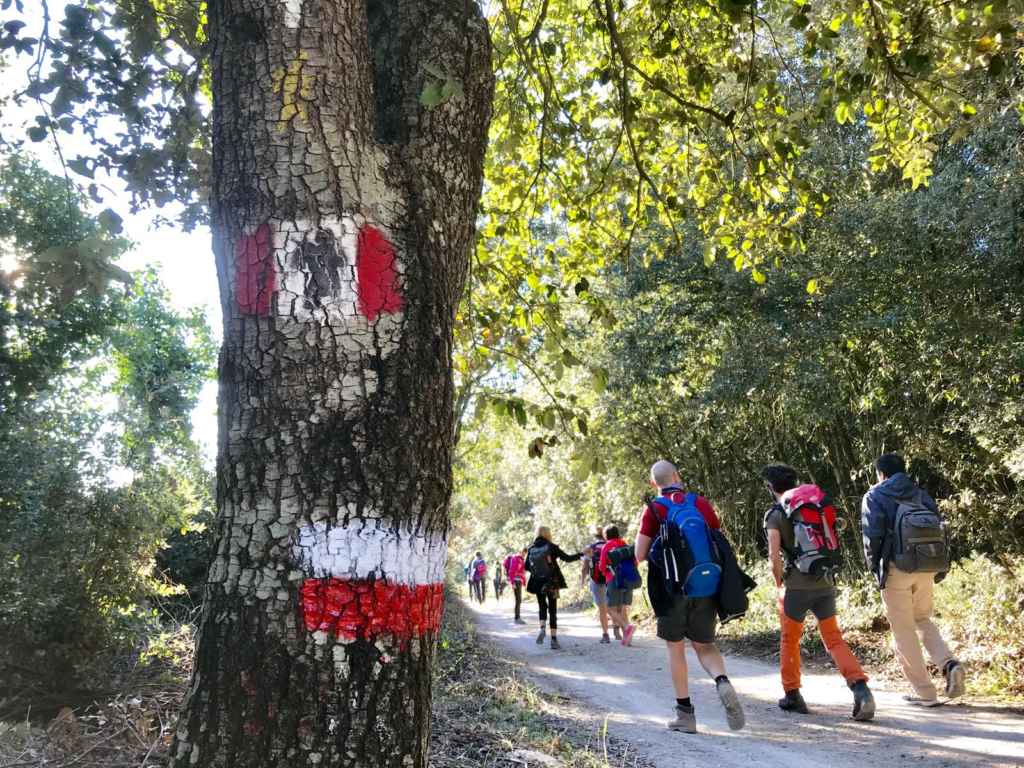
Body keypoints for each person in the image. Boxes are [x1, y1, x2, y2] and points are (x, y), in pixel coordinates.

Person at [635, 460, 745, 734]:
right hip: (705, 584)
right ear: (677, 476)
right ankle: (722, 681)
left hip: (670, 590)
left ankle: (685, 714)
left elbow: (639, 554)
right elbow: (717, 539)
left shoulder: (654, 509)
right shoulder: (700, 503)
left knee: (676, 648)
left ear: (654, 484)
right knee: (704, 645)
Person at [761, 464, 875, 720]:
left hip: (796, 588)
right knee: (833, 638)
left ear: (771, 488)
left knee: (790, 640)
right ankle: (861, 689)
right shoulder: (815, 505)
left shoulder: (776, 514)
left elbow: (773, 556)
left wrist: (779, 583)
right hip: (824, 582)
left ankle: (793, 695)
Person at [862, 452, 966, 705]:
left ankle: (925, 692)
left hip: (897, 568)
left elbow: (872, 536)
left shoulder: (875, 495)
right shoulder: (920, 493)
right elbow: (940, 531)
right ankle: (949, 664)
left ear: (881, 474)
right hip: (927, 565)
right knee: (922, 619)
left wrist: (876, 570)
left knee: (903, 629)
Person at [525, 526, 582, 650]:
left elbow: (526, 566)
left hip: (537, 582)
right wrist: (581, 554)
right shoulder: (551, 547)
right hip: (553, 581)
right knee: (553, 609)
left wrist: (537, 571)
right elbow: (567, 558)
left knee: (542, 606)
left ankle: (541, 628)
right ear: (548, 534)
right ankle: (554, 640)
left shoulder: (531, 549)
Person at [598, 525, 639, 646]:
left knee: (611, 609)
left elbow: (601, 566)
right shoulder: (625, 544)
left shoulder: (607, 545)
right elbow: (635, 562)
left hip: (613, 579)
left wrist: (605, 572)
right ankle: (628, 640)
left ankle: (627, 628)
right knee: (622, 609)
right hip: (628, 579)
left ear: (606, 535)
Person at [581, 525, 614, 643]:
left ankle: (606, 635)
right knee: (613, 606)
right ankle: (621, 630)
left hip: (596, 580)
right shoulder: (610, 545)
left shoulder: (591, 548)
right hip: (610, 578)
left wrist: (582, 580)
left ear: (594, 535)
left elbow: (584, 566)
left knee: (602, 609)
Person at [503, 548, 528, 624]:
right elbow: (511, 571)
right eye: (523, 553)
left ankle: (517, 617)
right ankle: (517, 618)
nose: (524, 555)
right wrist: (512, 583)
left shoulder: (521, 559)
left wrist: (524, 582)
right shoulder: (516, 558)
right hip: (516, 581)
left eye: (525, 554)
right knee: (518, 600)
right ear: (520, 552)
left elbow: (522, 571)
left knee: (519, 600)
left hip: (519, 581)